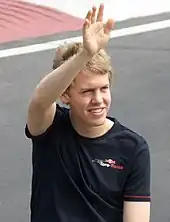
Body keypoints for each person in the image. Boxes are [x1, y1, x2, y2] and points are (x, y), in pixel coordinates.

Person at [25, 4, 151, 222]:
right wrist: (85, 54)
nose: (98, 99)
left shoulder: (133, 148)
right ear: (65, 95)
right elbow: (40, 100)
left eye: (104, 88)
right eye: (87, 91)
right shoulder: (50, 127)